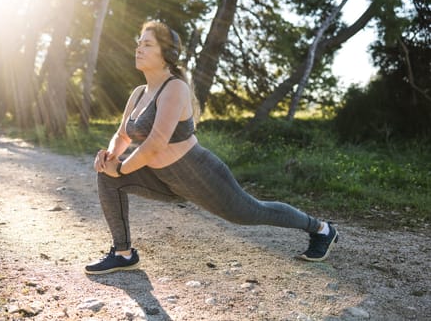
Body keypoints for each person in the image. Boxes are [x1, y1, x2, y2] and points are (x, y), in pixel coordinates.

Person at [85, 21, 338, 275]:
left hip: (200, 174)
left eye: (148, 44)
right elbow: (122, 134)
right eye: (138, 43)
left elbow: (155, 144)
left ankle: (321, 229)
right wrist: (110, 158)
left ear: (168, 54)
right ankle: (123, 253)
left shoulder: (174, 88)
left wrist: (122, 168)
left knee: (250, 212)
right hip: (164, 179)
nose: (139, 48)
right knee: (107, 177)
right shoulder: (139, 93)